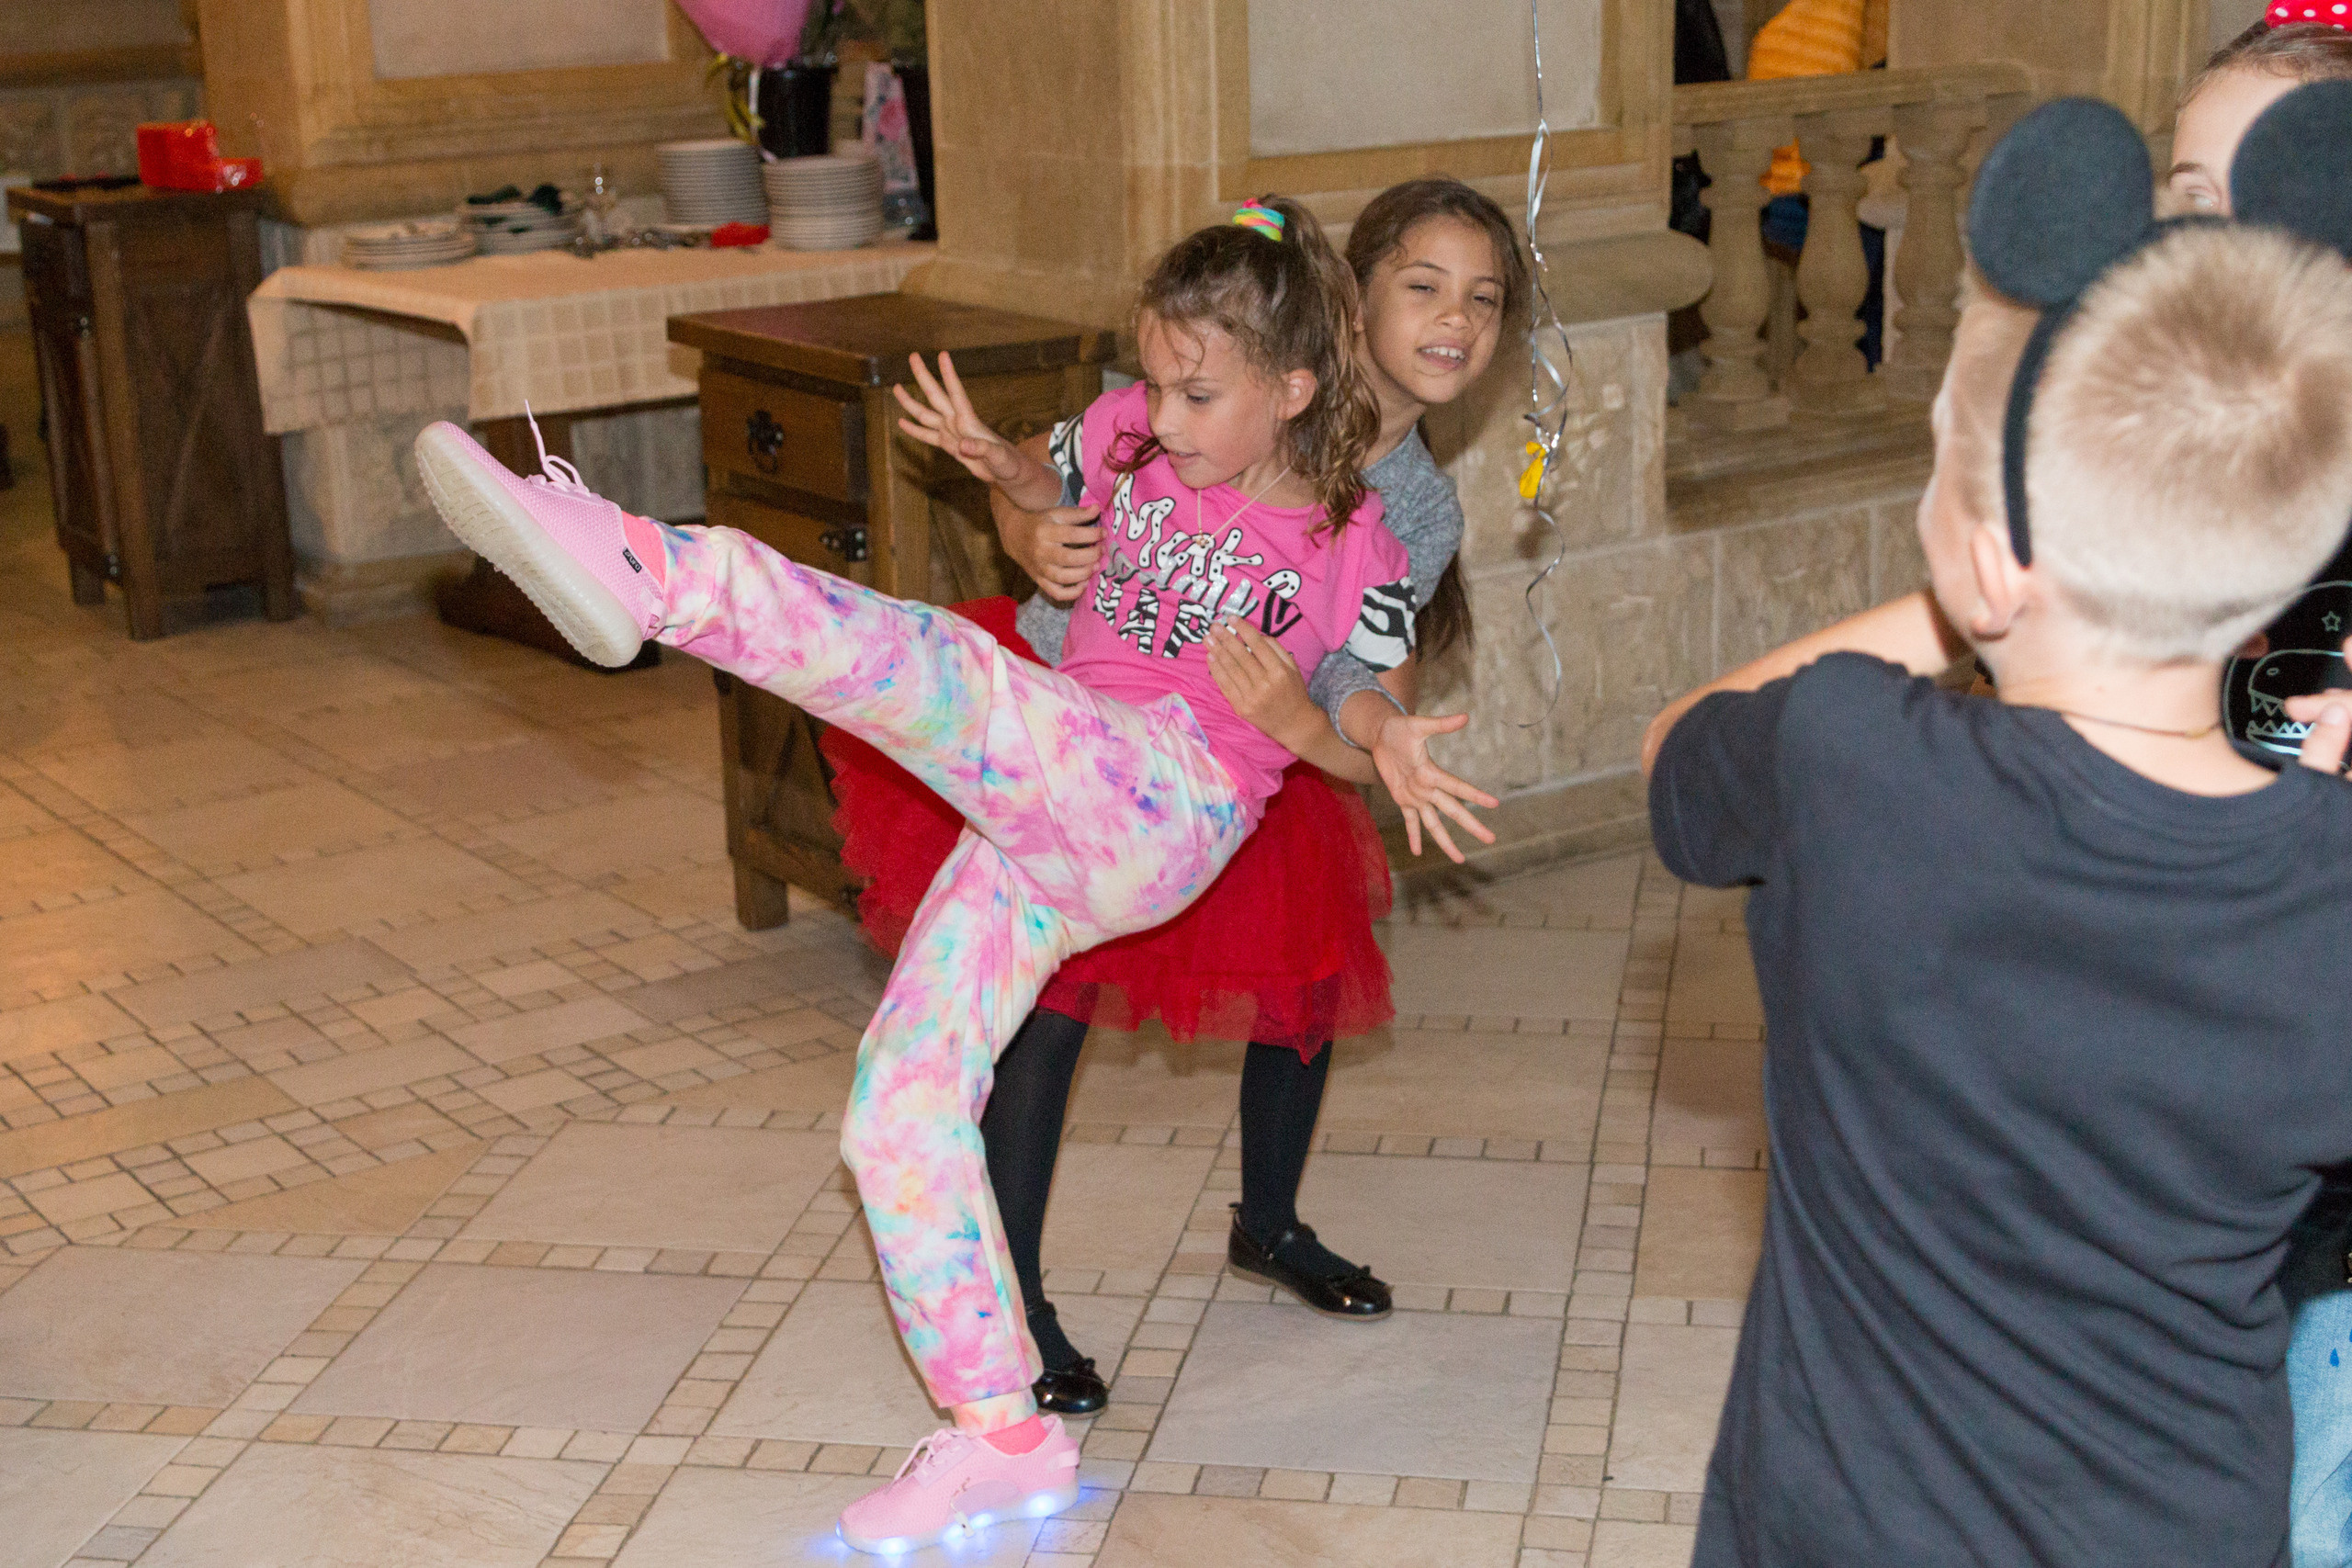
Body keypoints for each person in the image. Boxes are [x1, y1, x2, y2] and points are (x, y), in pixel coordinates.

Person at [407, 195, 1494, 1555]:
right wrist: (1008, 474)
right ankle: (1003, 1439)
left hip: (1167, 799)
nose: (1160, 416)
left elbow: (1362, 714)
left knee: (942, 667)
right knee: (899, 1105)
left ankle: (647, 568)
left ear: (1291, 388)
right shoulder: (1130, 430)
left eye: (1197, 395)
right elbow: (1049, 490)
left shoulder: (1358, 538)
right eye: (1154, 382)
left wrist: (1361, 740)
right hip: (1056, 797)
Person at [1641, 89, 2352, 1568]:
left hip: (1841, 1531)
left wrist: (1958, 609)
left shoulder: (1853, 762)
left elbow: (1680, 759)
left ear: (1984, 559)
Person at [818, 177, 1526, 1414]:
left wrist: (1342, 728)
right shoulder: (1197, 384)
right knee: (1051, 1002)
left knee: (1301, 980)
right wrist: (1027, 531)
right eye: (1422, 286)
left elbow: (1365, 683)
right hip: (1077, 723)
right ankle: (1016, 1296)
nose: (1454, 319)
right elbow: (1057, 492)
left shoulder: (1408, 505)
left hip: (1241, 756)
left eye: (1485, 299)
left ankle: (1270, 1223)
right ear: (1346, 303)